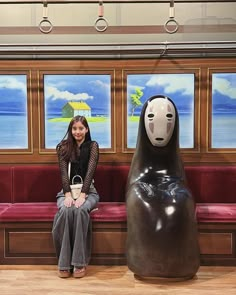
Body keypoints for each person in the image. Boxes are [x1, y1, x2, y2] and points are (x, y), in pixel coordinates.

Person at [52, 115, 99, 279]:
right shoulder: (63, 147)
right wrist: (67, 194)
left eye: (81, 128)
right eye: (74, 129)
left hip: (89, 191)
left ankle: (79, 263)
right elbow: (63, 173)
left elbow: (90, 172)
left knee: (79, 210)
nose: (77, 132)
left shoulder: (93, 146)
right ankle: (64, 263)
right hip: (67, 191)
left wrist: (84, 195)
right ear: (70, 130)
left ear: (86, 129)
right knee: (65, 210)